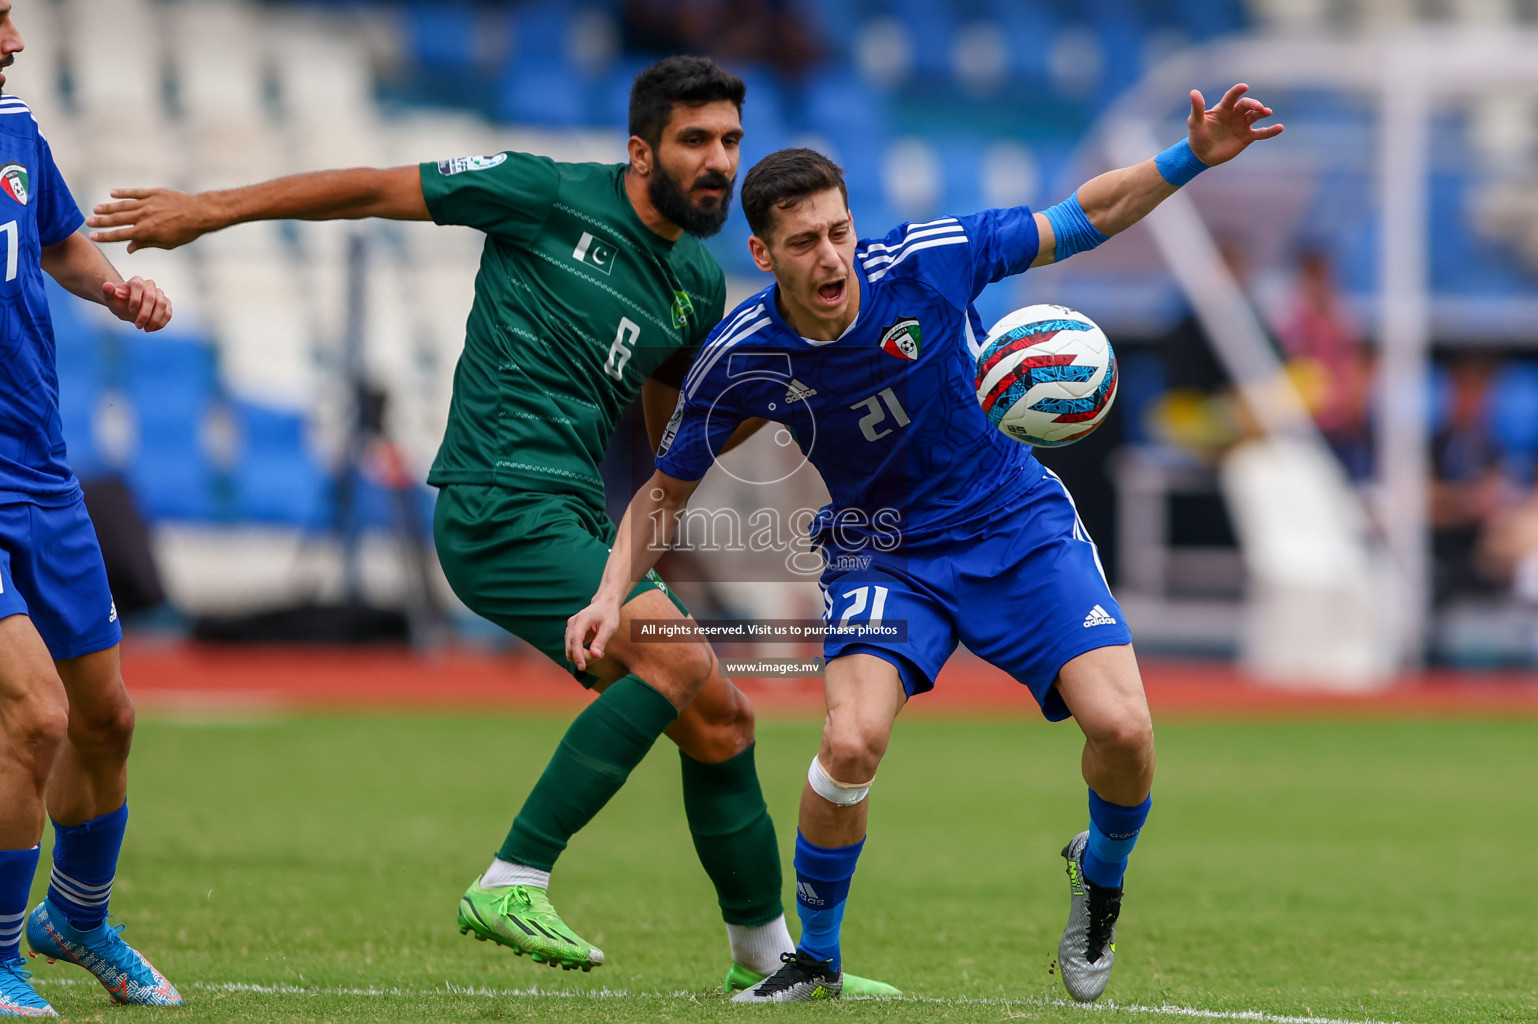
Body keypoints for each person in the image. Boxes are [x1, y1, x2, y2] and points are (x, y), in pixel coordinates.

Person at [86, 55, 895, 995]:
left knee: (723, 718)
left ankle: (768, 964)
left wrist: (798, 386)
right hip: (495, 502)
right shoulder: (544, 192)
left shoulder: (691, 285)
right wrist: (207, 211)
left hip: (574, 516)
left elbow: (675, 444)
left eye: (730, 142)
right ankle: (514, 876)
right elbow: (371, 188)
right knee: (676, 664)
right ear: (641, 152)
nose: (719, 160)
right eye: (696, 141)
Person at [567, 84, 1283, 1004]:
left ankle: (1098, 876)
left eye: (837, 231)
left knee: (1125, 731)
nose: (830, 257)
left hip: (1012, 522)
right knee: (850, 742)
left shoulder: (929, 262)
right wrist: (605, 594)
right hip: (883, 552)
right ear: (762, 254)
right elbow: (662, 494)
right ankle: (815, 958)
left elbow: (1082, 217)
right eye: (802, 243)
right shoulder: (742, 356)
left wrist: (1189, 157)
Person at [0, 2, 182, 1016]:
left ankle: (74, 915)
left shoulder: (15, 126)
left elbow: (60, 238)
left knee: (105, 718)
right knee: (35, 713)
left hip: (39, 468)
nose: (14, 42)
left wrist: (114, 290)